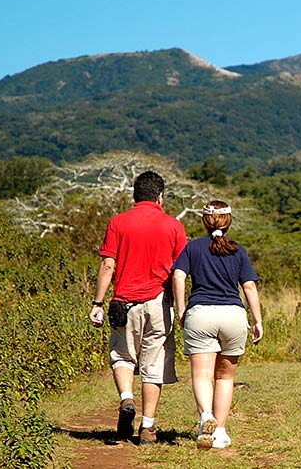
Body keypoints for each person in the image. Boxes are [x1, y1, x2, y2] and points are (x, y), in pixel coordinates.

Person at [89, 171, 187, 445]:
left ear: (134, 195)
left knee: (122, 356)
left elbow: (108, 264)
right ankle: (148, 427)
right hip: (159, 301)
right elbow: (180, 271)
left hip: (124, 303)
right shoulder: (173, 226)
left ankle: (126, 399)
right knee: (153, 364)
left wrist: (97, 302)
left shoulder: (118, 222)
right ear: (160, 196)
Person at [172, 200, 263, 450]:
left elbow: (178, 275)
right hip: (233, 315)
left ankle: (205, 417)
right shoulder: (238, 250)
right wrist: (257, 320)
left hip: (201, 313)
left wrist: (181, 309)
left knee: (201, 374)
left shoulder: (193, 248)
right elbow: (249, 286)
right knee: (225, 376)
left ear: (204, 221)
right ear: (229, 221)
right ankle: (220, 432)